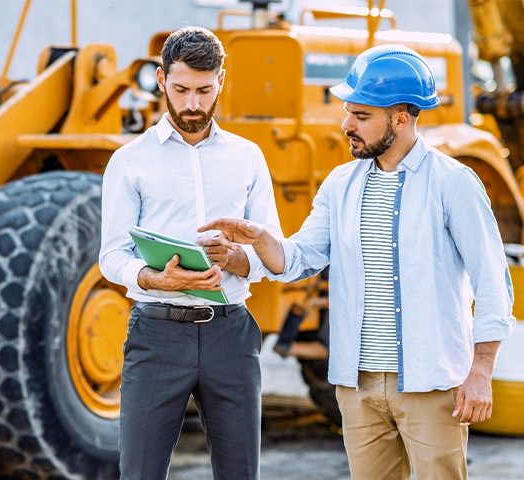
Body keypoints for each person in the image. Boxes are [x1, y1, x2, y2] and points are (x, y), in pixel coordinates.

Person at [199, 44, 515, 480]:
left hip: (431, 383)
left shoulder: (454, 184)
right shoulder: (340, 183)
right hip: (357, 384)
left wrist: (481, 371)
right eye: (348, 112)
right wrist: (253, 246)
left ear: (401, 118)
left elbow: (493, 282)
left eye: (361, 116)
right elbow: (300, 258)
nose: (347, 125)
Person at [99, 26, 281, 480]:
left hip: (231, 335)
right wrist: (152, 278)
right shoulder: (129, 160)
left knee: (240, 472)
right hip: (156, 335)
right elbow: (113, 255)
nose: (193, 104)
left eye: (204, 89)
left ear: (222, 79)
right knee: (139, 472)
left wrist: (235, 259)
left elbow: (271, 250)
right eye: (180, 90)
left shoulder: (248, 157)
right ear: (162, 81)